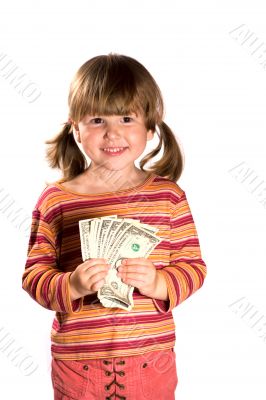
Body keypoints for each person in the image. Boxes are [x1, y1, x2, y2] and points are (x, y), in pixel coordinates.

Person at [22, 52, 207, 400]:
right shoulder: (56, 200)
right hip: (78, 365)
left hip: (151, 360)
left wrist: (160, 282)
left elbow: (194, 267)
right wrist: (71, 285)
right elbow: (34, 276)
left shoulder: (169, 197)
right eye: (96, 120)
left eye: (126, 118)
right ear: (75, 126)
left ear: (150, 126)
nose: (112, 133)